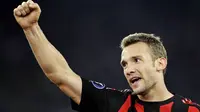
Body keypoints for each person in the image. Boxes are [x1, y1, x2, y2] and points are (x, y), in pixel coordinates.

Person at [13, 0, 199, 112]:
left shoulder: (190, 110)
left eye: (136, 60)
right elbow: (60, 75)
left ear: (160, 63)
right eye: (124, 64)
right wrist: (31, 28)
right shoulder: (114, 104)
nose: (129, 69)